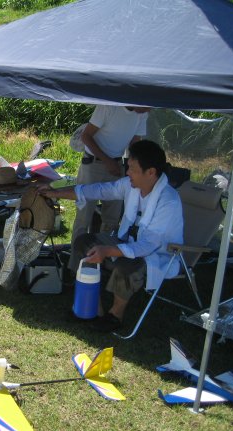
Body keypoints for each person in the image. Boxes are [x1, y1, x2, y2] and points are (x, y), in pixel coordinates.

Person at [39, 140, 183, 332]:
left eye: (132, 169)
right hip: (127, 242)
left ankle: (115, 316)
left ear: (151, 172)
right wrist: (54, 193)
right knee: (83, 242)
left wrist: (108, 250)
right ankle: (92, 308)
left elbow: (147, 246)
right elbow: (97, 190)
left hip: (158, 254)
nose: (127, 172)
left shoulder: (168, 201)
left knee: (127, 265)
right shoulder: (131, 186)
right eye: (128, 167)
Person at [69, 105, 150, 270]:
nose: (149, 110)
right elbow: (86, 136)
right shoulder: (109, 106)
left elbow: (135, 143)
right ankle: (75, 267)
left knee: (112, 220)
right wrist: (107, 161)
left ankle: (103, 266)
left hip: (116, 165)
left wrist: (134, 167)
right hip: (93, 164)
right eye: (148, 106)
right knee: (84, 218)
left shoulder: (142, 113)